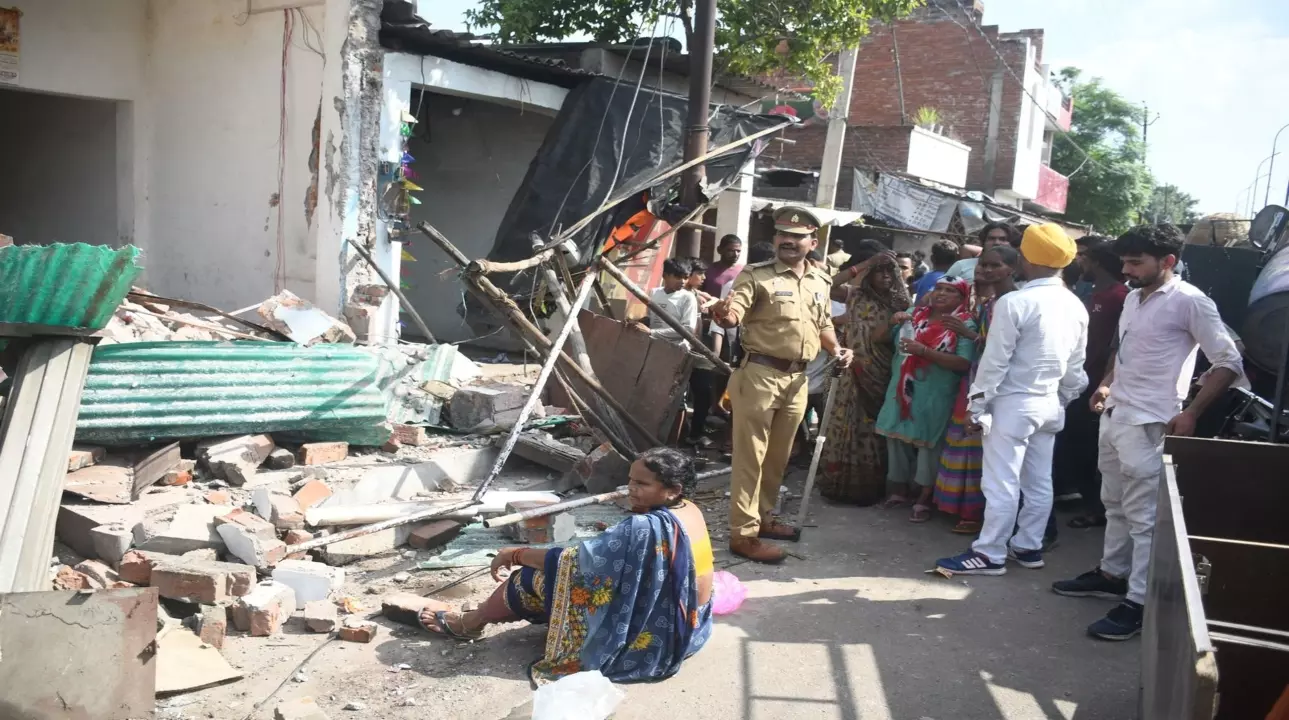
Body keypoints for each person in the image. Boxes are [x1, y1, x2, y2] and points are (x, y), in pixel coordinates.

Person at [1052, 224, 1243, 641]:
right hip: (1116, 412)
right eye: (1124, 261)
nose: (1127, 270)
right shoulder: (1134, 299)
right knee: (1113, 503)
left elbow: (1228, 361)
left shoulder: (1191, 301)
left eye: (1136, 262)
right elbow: (1125, 348)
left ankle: (1138, 603)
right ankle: (1112, 574)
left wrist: (1191, 412)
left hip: (1151, 422)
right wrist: (1106, 383)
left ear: (1168, 261)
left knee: (1143, 519)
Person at [416, 447, 713, 683]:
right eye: (631, 480)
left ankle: (470, 623)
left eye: (641, 484)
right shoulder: (689, 510)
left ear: (672, 489)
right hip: (690, 628)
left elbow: (573, 561)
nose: (629, 488)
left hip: (657, 642)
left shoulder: (645, 526)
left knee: (532, 578)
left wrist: (515, 553)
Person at [936, 223, 1089, 576]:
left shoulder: (1015, 302)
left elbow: (994, 360)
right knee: (1038, 481)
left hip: (1013, 403)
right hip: (1049, 402)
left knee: (1000, 481)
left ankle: (990, 552)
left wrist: (978, 404)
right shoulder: (1074, 304)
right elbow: (1075, 367)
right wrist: (1063, 398)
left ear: (1025, 259)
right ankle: (1028, 547)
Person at [710, 206, 854, 564]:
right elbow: (734, 314)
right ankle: (742, 536)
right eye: (782, 236)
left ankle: (764, 518)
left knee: (779, 456)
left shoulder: (819, 280)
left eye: (797, 236)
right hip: (759, 375)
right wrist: (722, 312)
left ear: (812, 241)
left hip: (798, 379)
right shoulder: (755, 275)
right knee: (750, 458)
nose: (788, 242)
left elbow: (822, 323)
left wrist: (837, 349)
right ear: (774, 239)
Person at [933, 245, 1020, 533]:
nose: (985, 270)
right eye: (982, 265)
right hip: (975, 378)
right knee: (965, 439)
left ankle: (977, 515)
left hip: (997, 385)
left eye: (994, 265)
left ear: (1011, 269)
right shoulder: (988, 303)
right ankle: (959, 507)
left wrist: (968, 334)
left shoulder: (1013, 303)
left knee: (983, 448)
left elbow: (1006, 350)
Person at [876, 276, 976, 522]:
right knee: (894, 434)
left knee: (928, 443)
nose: (941, 294)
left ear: (962, 298)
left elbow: (964, 362)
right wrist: (891, 322)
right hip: (901, 387)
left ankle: (924, 496)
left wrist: (924, 352)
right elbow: (879, 339)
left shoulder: (963, 323)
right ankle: (899, 490)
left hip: (935, 391)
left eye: (950, 291)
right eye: (938, 288)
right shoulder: (913, 314)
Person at [818, 249, 911, 504]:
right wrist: (866, 262)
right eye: (878, 271)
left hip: (880, 373)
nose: (885, 277)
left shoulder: (900, 303)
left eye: (889, 272)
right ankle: (839, 484)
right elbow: (826, 283)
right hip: (851, 370)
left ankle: (870, 486)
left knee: (872, 426)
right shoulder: (854, 295)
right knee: (846, 422)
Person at [1056, 240, 1128, 529]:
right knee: (1075, 444)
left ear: (1097, 261)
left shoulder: (1120, 296)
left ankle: (1095, 508)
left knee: (1089, 448)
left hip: (1098, 385)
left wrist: (1104, 382)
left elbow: (1115, 346)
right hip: (1080, 381)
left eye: (1084, 258)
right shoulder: (1096, 294)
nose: (1080, 264)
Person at [645, 258, 698, 349]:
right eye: (678, 277)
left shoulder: (688, 297)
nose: (682, 281)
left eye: (685, 277)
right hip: (653, 345)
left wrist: (651, 332)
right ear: (665, 275)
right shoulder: (654, 293)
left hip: (675, 348)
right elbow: (650, 319)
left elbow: (687, 330)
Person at [947, 222, 1021, 281]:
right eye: (991, 238)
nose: (997, 242)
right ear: (983, 242)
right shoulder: (962, 266)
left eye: (1003, 239)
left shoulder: (1019, 272)